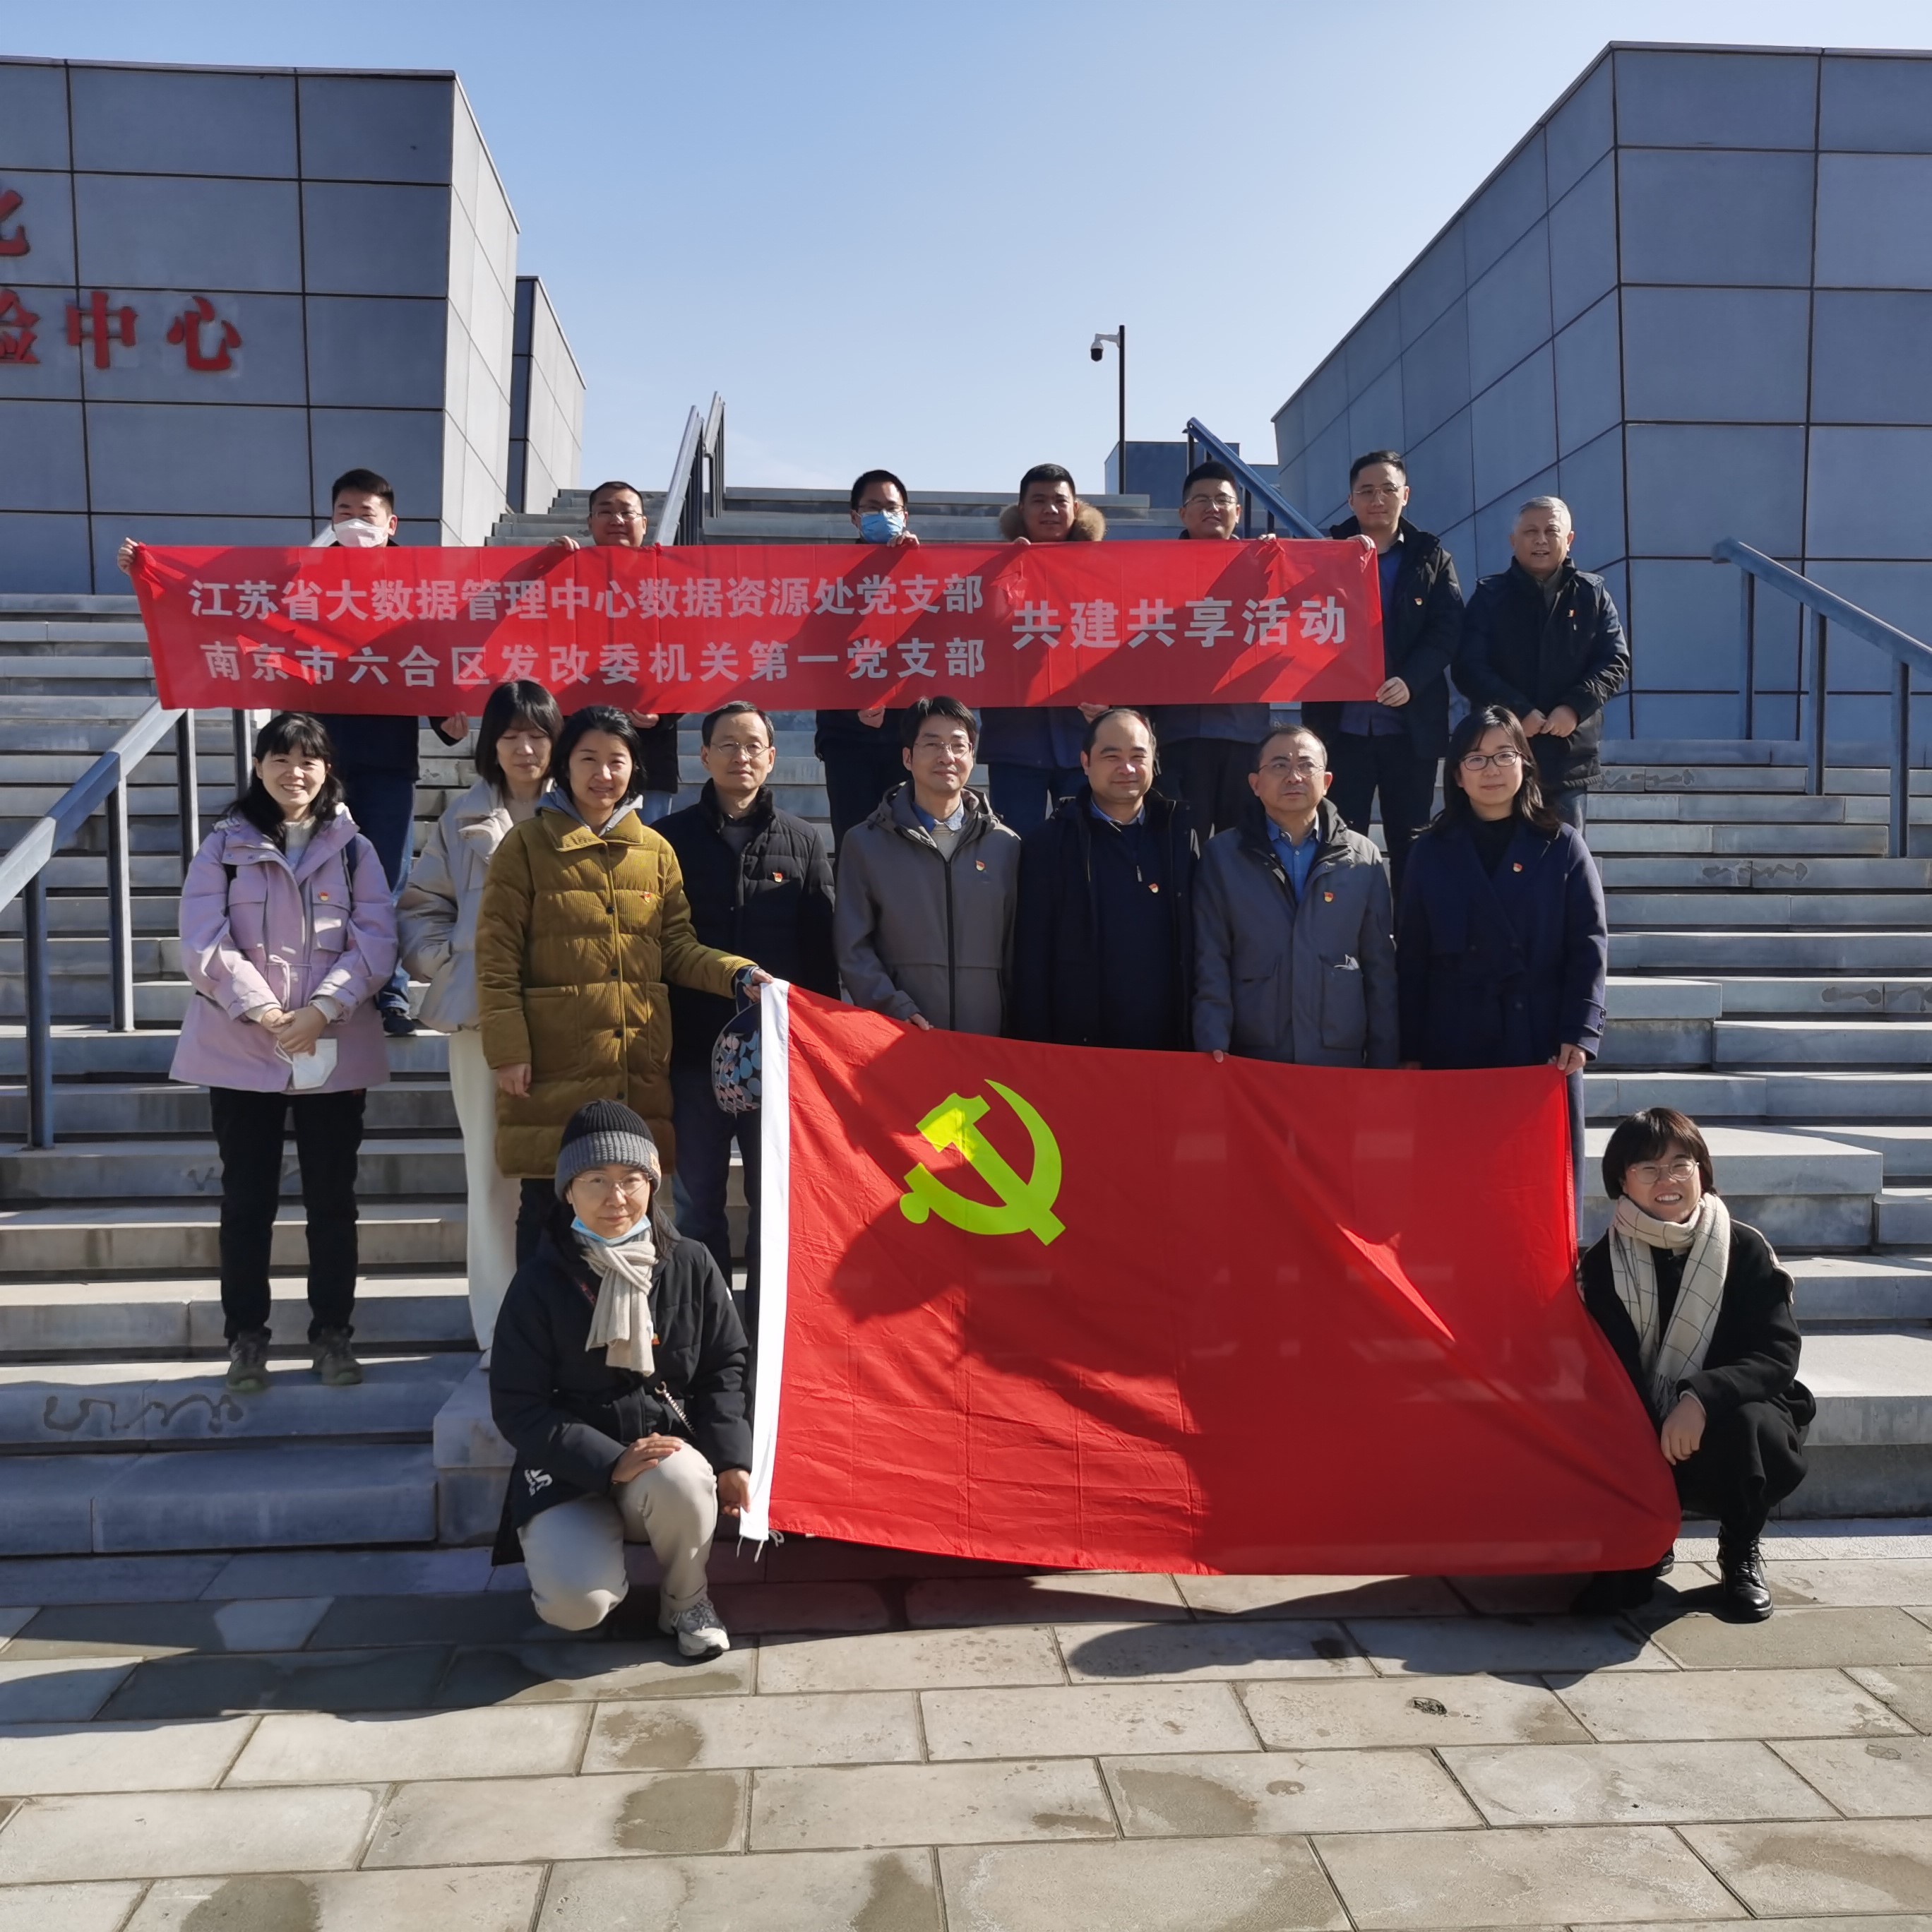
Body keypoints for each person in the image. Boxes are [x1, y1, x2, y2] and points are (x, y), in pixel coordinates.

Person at [121, 467, 465, 1036]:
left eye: (366, 514)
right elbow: (226, 606)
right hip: (309, 761)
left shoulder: (416, 585)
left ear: (391, 523)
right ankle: (312, 987)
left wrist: (446, 719)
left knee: (385, 877)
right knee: (306, 877)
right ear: (331, 516)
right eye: (345, 512)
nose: (354, 523)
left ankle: (389, 994)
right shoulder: (294, 579)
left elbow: (429, 654)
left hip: (385, 758)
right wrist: (152, 572)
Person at [475, 705, 763, 1265]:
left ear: (635, 768)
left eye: (617, 760)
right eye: (588, 759)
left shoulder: (655, 851)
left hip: (634, 1064)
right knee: (548, 1210)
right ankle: (539, 1324)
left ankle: (624, 1321)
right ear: (565, 765)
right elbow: (496, 958)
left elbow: (676, 948)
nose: (603, 774)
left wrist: (737, 973)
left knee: (628, 1210)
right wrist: (508, 1049)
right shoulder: (526, 846)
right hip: (553, 1064)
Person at [170, 712, 396, 1393]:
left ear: (328, 769)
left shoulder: (355, 849)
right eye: (280, 759)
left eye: (308, 760)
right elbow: (203, 939)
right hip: (242, 1046)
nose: (294, 773)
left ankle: (333, 1335)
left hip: (333, 1045)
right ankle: (247, 1338)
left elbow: (376, 938)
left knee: (332, 1203)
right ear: (258, 766)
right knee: (247, 1202)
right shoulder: (223, 846)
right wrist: (267, 1012)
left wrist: (323, 1008)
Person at [489, 1100, 750, 1652]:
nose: (616, 1197)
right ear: (568, 1190)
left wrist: (732, 1459)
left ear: (652, 1183)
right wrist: (610, 1462)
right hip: (568, 1473)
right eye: (596, 1180)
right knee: (575, 1608)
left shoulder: (689, 1263)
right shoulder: (539, 1282)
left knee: (683, 1477)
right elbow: (518, 1405)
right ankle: (584, 1563)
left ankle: (686, 1601)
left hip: (660, 1462)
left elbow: (723, 1367)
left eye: (632, 1179)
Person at [1575, 1108, 1813, 1622]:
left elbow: (1777, 1354)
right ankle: (1647, 1539)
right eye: (1648, 1169)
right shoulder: (1603, 1264)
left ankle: (1740, 1549)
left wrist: (1700, 1397)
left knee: (1752, 1424)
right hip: (1641, 1413)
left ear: (1701, 1170)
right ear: (1622, 1182)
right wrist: (1650, 1419)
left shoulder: (1743, 1248)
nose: (1667, 1181)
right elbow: (1604, 1366)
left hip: (1731, 1413)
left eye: (1680, 1165)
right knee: (1614, 1595)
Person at [655, 701, 837, 1323]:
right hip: (694, 1054)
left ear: (772, 757)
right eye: (728, 745)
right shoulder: (669, 841)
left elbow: (820, 956)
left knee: (773, 1203)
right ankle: (708, 1328)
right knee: (697, 1204)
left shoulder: (802, 841)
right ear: (703, 756)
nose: (741, 756)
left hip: (776, 1060)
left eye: (753, 745)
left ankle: (766, 1327)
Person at [397, 680, 563, 1358]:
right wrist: (456, 966)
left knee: (571, 1168)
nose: (525, 749)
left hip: (566, 1014)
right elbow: (418, 910)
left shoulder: (582, 810)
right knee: (492, 1173)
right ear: (491, 744)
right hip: (481, 1023)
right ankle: (500, 1331)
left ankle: (567, 1325)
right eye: (511, 735)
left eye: (538, 735)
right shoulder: (461, 820)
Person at [1397, 705, 1608, 1201]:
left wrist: (1580, 1030)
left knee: (1537, 1188)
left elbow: (1588, 943)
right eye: (1476, 758)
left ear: (1525, 764)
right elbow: (1411, 956)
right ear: (1457, 775)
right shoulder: (1430, 851)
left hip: (1538, 1042)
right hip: (1454, 1040)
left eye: (1503, 755)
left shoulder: (1561, 845)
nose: (1491, 769)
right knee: (1458, 1188)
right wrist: (1408, 1049)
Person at [1304, 451, 1465, 895]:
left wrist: (1411, 680)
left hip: (1410, 730)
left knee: (1412, 840)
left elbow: (1447, 631)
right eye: (1367, 491)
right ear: (1351, 500)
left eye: (1388, 489)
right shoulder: (1321, 554)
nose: (1378, 499)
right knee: (1339, 841)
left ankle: (1411, 930)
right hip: (1340, 729)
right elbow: (1289, 617)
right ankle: (1343, 928)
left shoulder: (1431, 557)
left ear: (1405, 496)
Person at [1193, 724, 1397, 1066]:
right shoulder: (1223, 856)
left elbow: (1380, 966)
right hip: (1254, 1054)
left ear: (1327, 781)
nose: (1294, 776)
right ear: (1255, 784)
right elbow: (1211, 957)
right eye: (1279, 765)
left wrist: (1384, 1058)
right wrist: (1213, 1041)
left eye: (1306, 765)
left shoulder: (1363, 857)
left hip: (1338, 1054)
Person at [1011, 707, 1198, 1050]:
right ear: (1085, 762)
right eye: (1111, 757)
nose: (1127, 768)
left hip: (1170, 1046)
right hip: (1080, 1048)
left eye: (1138, 756)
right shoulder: (1048, 844)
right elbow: (1031, 961)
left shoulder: (1180, 838)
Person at [834, 694, 1021, 1034]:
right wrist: (892, 1006)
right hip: (899, 1033)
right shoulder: (865, 843)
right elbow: (853, 945)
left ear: (973, 756)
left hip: (988, 1037)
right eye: (932, 744)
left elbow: (1017, 948)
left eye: (958, 745)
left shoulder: (1005, 845)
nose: (946, 756)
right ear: (907, 757)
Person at [1455, 495, 1630, 835]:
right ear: (1513, 540)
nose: (1541, 540)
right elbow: (1468, 666)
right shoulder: (1490, 596)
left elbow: (1615, 661)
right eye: (1530, 532)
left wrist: (1574, 707)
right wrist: (1516, 712)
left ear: (1569, 539)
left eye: (1551, 531)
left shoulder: (1591, 595)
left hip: (1568, 753)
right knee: (1500, 850)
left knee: (1564, 853)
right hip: (1502, 753)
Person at [979, 464, 1107, 836]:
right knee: (1015, 849)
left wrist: (1114, 702)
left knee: (1084, 849)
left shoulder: (1104, 567)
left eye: (1059, 501)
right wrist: (1005, 575)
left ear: (1076, 508)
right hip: (1015, 739)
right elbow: (975, 632)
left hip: (1084, 738)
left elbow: (1124, 639)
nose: (1050, 509)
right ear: (1021, 509)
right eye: (1039, 500)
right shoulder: (990, 569)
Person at [1148, 460, 1274, 842]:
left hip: (1244, 731)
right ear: (1183, 513)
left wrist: (1352, 554)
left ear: (1238, 512)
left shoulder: (1265, 565)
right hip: (1178, 731)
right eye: (1201, 499)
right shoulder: (1151, 569)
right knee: (1182, 846)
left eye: (1222, 500)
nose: (1212, 507)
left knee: (1243, 848)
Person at [551, 480, 683, 824]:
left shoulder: (671, 581)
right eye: (606, 511)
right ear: (590, 522)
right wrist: (542, 569)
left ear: (644, 523)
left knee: (644, 854)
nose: (617, 520)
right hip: (578, 749)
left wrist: (664, 714)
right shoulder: (564, 577)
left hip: (648, 755)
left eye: (627, 512)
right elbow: (525, 638)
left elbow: (698, 657)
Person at [817, 469, 922, 850]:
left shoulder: (923, 568)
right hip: (846, 736)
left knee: (909, 847)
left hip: (908, 734)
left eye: (891, 508)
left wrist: (917, 566)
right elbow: (813, 651)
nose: (883, 515)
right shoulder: (827, 572)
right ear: (855, 517)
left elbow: (944, 639)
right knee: (854, 844)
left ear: (905, 515)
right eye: (872, 508)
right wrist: (852, 706)